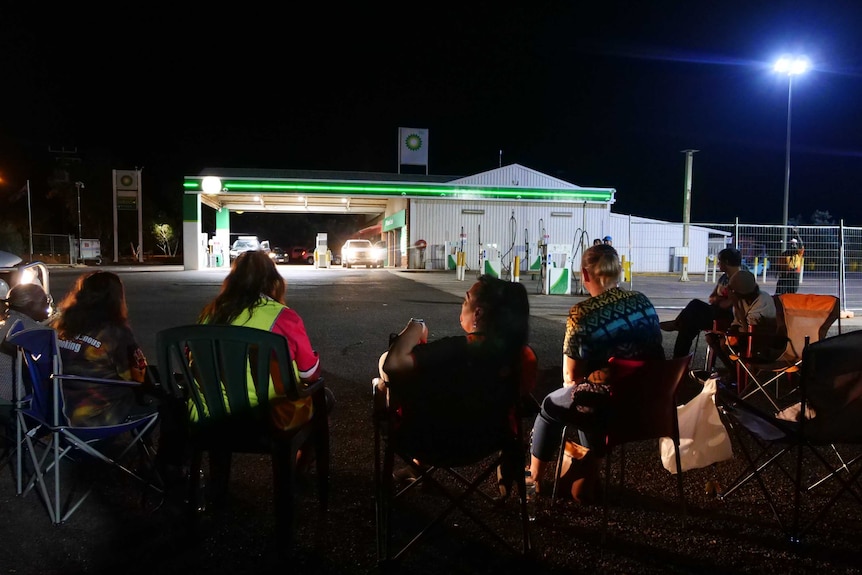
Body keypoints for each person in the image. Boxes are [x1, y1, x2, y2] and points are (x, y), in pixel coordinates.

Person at [527, 244, 664, 495]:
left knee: (552, 404)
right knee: (591, 391)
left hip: (609, 410)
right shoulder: (642, 301)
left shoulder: (583, 314)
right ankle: (589, 472)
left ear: (585, 274)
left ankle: (533, 479)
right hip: (649, 406)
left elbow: (571, 379)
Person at [377, 275, 536, 489]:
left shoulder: (449, 351)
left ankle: (411, 471)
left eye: (466, 299)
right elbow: (519, 398)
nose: (462, 305)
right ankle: (418, 467)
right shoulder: (523, 357)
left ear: (477, 313)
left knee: (382, 385)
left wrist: (417, 325)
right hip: (486, 443)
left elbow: (392, 364)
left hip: (422, 441)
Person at [197, 249, 330, 432]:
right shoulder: (283, 317)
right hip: (267, 416)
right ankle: (295, 459)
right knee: (325, 399)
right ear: (274, 282)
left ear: (231, 281)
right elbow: (309, 374)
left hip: (209, 412)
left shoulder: (209, 314)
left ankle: (218, 460)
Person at [50, 271, 155, 427]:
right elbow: (137, 376)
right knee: (167, 403)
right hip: (99, 414)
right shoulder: (115, 334)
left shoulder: (62, 327)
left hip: (61, 411)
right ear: (116, 299)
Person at [660, 247, 745, 358]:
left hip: (729, 317)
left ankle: (677, 326)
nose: (718, 263)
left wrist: (719, 300)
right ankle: (679, 358)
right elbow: (712, 298)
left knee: (695, 305)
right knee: (689, 325)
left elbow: (727, 304)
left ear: (727, 262)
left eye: (720, 261)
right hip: (716, 312)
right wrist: (721, 299)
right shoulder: (724, 278)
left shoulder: (742, 278)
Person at [703, 269, 783, 385]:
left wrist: (735, 304)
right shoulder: (742, 300)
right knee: (711, 338)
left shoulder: (763, 300)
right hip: (745, 334)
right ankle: (733, 372)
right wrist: (732, 329)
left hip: (760, 339)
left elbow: (748, 329)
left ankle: (737, 375)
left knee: (725, 344)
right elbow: (737, 322)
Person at [1, 284, 50, 402]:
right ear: (30, 305)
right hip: (17, 401)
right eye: (45, 301)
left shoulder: (4, 326)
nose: (47, 305)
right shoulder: (38, 333)